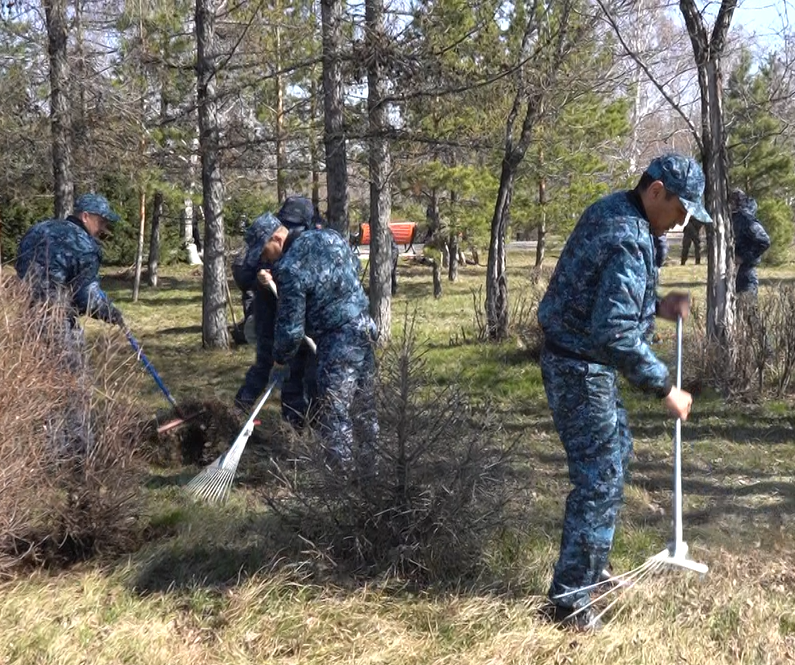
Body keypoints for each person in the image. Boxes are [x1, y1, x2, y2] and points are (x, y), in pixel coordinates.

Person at [537, 153, 711, 631]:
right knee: (600, 479)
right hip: (579, 368)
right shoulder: (628, 237)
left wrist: (656, 305)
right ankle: (570, 601)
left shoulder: (619, 211)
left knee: (616, 455)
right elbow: (613, 332)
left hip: (581, 359)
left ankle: (590, 570)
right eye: (680, 209)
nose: (680, 222)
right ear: (656, 191)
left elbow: (606, 297)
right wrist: (667, 389)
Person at [247, 215, 379, 471]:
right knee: (364, 406)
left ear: (276, 237)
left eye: (264, 251)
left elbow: (291, 328)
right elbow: (352, 266)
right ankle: (370, 472)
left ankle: (339, 482)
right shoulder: (329, 236)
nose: (265, 259)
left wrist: (280, 358)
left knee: (334, 410)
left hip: (337, 341)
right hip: (364, 325)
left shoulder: (289, 267)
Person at [15, 193, 125, 454]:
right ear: (85, 216)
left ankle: (45, 448)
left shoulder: (38, 229)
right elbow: (87, 296)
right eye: (102, 222)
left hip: (28, 319)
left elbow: (22, 269)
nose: (104, 230)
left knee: (42, 383)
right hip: (58, 322)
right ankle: (75, 452)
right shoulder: (84, 246)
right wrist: (112, 314)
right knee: (74, 385)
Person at [234, 196, 318, 428]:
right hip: (269, 315)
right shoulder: (267, 239)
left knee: (300, 374)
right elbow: (245, 275)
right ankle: (238, 410)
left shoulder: (306, 244)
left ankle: (298, 424)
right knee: (264, 364)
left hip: (300, 320)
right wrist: (261, 277)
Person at [730, 188, 770, 298]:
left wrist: (743, 257)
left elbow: (764, 241)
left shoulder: (745, 218)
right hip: (733, 273)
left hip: (746, 275)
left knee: (748, 310)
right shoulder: (733, 217)